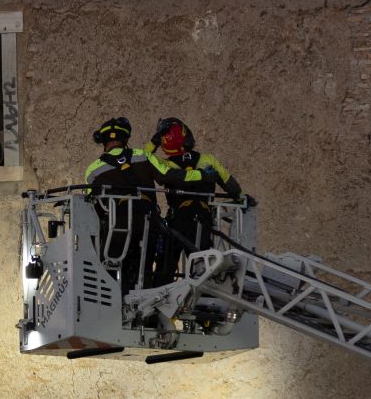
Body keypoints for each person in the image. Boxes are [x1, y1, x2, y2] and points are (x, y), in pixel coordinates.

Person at [84, 117, 214, 295]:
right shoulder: (141, 156)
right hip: (148, 222)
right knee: (143, 270)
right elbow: (170, 175)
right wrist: (203, 176)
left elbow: (90, 206)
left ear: (103, 141)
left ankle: (113, 302)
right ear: (126, 139)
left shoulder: (92, 170)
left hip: (117, 228)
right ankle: (146, 307)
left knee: (111, 271)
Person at [144, 117, 254, 285]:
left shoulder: (164, 164)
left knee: (165, 265)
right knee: (203, 269)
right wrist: (241, 198)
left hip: (177, 220)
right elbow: (230, 184)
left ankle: (159, 298)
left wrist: (154, 140)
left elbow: (143, 157)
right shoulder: (208, 160)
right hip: (202, 220)